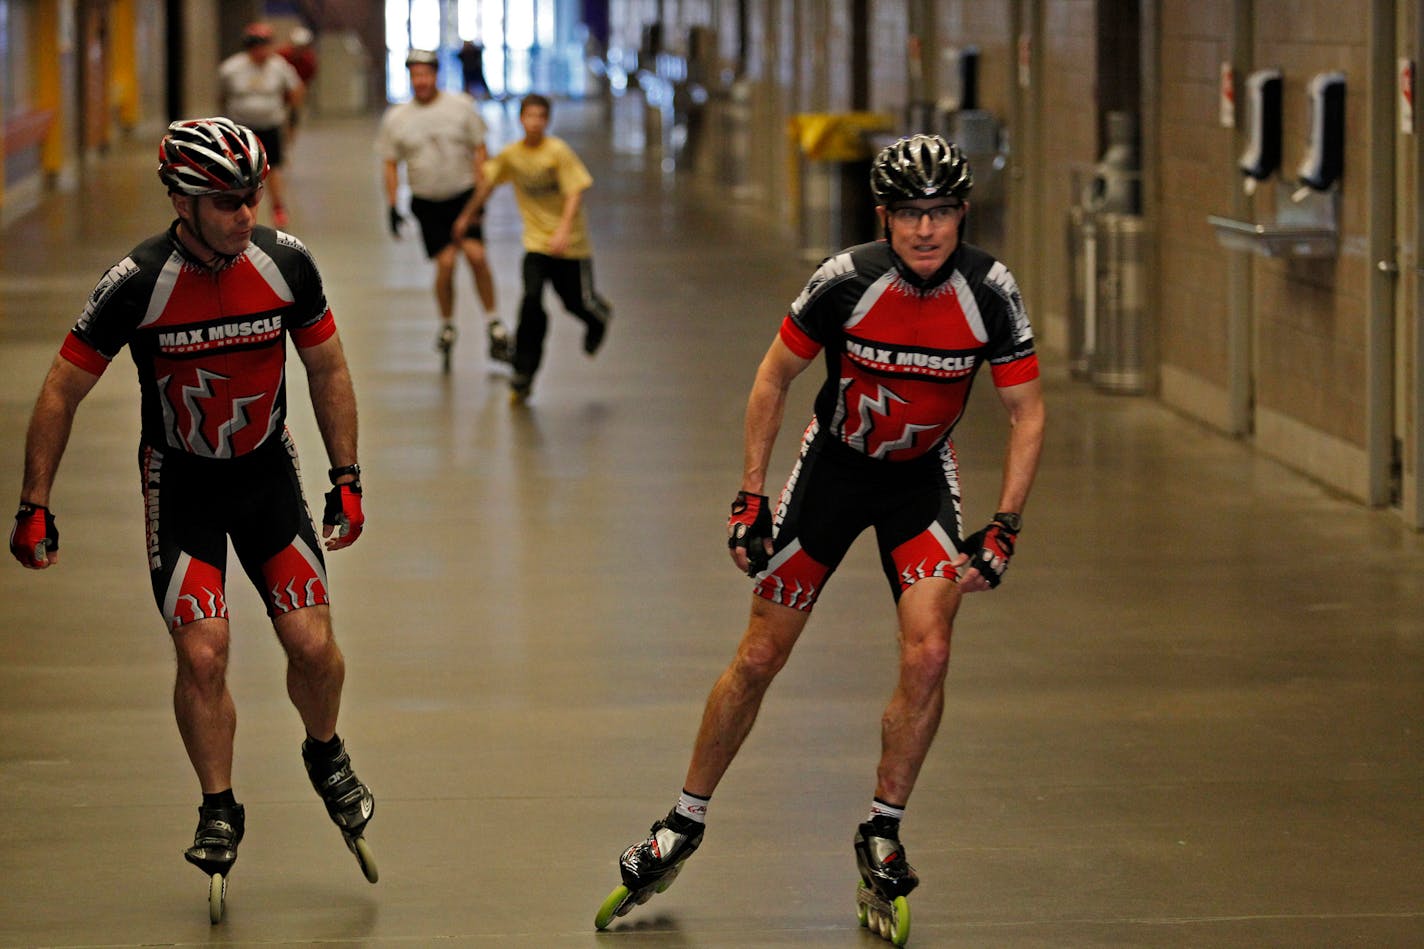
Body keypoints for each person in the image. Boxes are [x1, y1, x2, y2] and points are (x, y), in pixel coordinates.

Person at [598, 135, 1046, 928]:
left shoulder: (990, 290)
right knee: (762, 653)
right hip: (831, 474)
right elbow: (775, 375)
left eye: (941, 212)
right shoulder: (846, 281)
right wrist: (749, 497)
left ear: (962, 214)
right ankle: (682, 821)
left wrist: (1004, 523)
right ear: (884, 215)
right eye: (910, 213)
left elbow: (1026, 411)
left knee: (932, 649)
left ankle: (882, 831)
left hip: (918, 483)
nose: (926, 229)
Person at [8, 118, 376, 895]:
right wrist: (33, 501)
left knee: (312, 646)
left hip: (265, 474)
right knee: (203, 652)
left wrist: (346, 472)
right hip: (182, 483)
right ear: (182, 200)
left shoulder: (285, 264)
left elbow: (328, 366)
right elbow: (62, 388)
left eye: (252, 196)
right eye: (226, 202)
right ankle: (218, 805)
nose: (246, 214)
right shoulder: (136, 282)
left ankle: (325, 749)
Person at [453, 93, 612, 403]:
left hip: (570, 246)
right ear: (521, 120)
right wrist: (466, 217)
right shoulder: (513, 155)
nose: (535, 122)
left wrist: (564, 229)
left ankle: (598, 319)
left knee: (577, 303)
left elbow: (574, 193)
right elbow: (486, 183)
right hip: (537, 245)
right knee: (531, 302)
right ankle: (524, 373)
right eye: (530, 116)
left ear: (547, 121)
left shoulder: (558, 152)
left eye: (541, 117)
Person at [378, 49, 507, 367]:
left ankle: (494, 321)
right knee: (446, 263)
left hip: (463, 196)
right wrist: (393, 205)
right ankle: (447, 324)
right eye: (415, 75)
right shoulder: (397, 118)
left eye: (426, 74)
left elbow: (480, 150)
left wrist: (480, 195)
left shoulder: (461, 107)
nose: (421, 81)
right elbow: (391, 164)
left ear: (436, 75)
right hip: (428, 202)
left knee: (477, 256)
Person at [218, 22, 304, 228]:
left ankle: (278, 208)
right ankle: (236, 208)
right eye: (256, 46)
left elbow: (296, 90)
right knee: (238, 170)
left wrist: (289, 116)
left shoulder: (279, 66)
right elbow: (222, 95)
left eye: (265, 45)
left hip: (269, 125)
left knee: (273, 168)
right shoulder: (231, 68)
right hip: (241, 128)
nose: (261, 51)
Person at [277, 26, 319, 144]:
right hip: (279, 93)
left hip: (295, 93)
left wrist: (297, 98)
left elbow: (305, 82)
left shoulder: (308, 60)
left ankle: (287, 143)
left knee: (293, 118)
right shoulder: (281, 56)